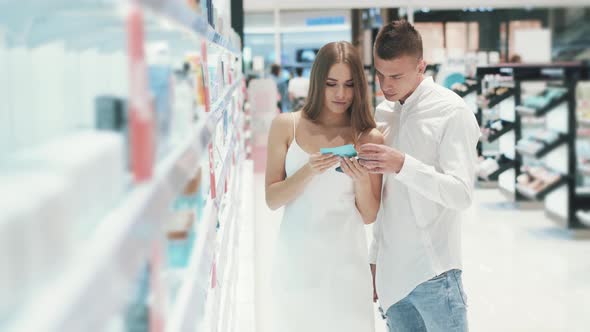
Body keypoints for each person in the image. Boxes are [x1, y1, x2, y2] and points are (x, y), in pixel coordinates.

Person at [359, 20, 480, 332]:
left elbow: (461, 193)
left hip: (435, 275)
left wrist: (403, 165)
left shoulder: (451, 111)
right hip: (391, 276)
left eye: (396, 76)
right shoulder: (383, 113)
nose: (386, 85)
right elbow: (386, 198)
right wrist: (375, 259)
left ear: (421, 65)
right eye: (380, 74)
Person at [265, 41, 384, 332]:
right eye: (332, 84)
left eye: (349, 84)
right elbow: (272, 199)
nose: (341, 94)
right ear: (317, 82)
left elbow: (369, 215)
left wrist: (359, 180)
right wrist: (308, 171)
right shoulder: (285, 126)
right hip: (296, 261)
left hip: (347, 264)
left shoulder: (369, 137)